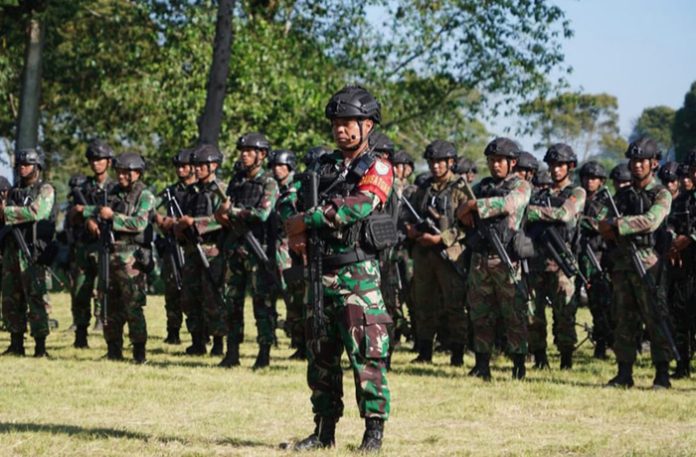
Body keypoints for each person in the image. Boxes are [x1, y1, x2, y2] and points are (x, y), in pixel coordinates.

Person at [285, 85, 392, 451]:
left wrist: (307, 220)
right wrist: (295, 232)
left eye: (348, 123)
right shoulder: (321, 167)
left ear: (367, 125)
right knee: (321, 355)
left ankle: (373, 433)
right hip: (320, 272)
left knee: (366, 355)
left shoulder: (378, 166)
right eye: (336, 123)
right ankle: (323, 430)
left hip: (357, 275)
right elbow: (289, 203)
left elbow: (359, 205)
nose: (340, 130)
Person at [599, 137, 673, 389]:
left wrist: (619, 225)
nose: (637, 165)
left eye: (642, 160)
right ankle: (624, 373)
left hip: (649, 261)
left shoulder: (661, 193)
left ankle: (662, 374)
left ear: (654, 163)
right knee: (624, 318)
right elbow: (602, 223)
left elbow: (651, 220)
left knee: (655, 316)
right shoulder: (622, 196)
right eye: (634, 160)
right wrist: (607, 227)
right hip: (623, 263)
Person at [457, 137, 532, 380]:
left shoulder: (521, 185)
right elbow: (460, 210)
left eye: (500, 160)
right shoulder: (481, 186)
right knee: (480, 314)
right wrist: (465, 209)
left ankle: (518, 366)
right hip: (480, 259)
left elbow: (509, 205)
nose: (495, 165)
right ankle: (482, 365)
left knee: (514, 314)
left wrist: (472, 205)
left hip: (507, 259)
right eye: (491, 160)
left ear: (512, 163)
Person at [81, 152, 154, 363]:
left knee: (133, 305)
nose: (121, 176)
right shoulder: (110, 193)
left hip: (132, 258)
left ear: (137, 173)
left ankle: (139, 352)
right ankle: (113, 349)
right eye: (119, 172)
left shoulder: (145, 196)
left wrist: (113, 217)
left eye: (126, 172)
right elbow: (96, 212)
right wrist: (92, 219)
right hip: (109, 253)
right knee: (109, 303)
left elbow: (139, 223)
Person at [216, 133, 279, 369]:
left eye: (250, 150)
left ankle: (264, 354)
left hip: (257, 250)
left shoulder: (269, 183)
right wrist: (223, 214)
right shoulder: (237, 181)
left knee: (261, 305)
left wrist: (233, 212)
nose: (244, 154)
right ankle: (232, 352)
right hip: (235, 249)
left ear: (261, 155)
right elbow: (224, 211)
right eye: (242, 150)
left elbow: (262, 213)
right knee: (232, 303)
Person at [406, 140, 468, 366]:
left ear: (450, 162)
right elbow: (410, 217)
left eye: (440, 162)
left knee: (454, 305)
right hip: (424, 255)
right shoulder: (423, 190)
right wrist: (411, 231)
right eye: (431, 162)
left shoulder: (460, 188)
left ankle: (457, 355)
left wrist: (441, 238)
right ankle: (424, 352)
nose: (435, 166)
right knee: (423, 304)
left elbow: (469, 225)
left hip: (449, 255)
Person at [526, 143, 586, 370]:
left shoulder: (577, 192)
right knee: (533, 313)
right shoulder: (540, 193)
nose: (555, 170)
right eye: (552, 165)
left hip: (562, 261)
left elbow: (565, 214)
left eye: (560, 165)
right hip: (537, 261)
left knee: (565, 315)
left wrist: (535, 213)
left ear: (570, 166)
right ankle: (540, 357)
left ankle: (566, 359)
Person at [1, 148, 56, 357]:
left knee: (36, 299)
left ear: (37, 166)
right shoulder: (14, 191)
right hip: (11, 250)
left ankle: (40, 347)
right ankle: (16, 344)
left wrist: (6, 212)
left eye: (27, 165)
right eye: (20, 165)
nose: (23, 168)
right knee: (10, 298)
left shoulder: (45, 190)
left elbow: (37, 211)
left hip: (33, 252)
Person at [176, 144, 228, 358]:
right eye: (195, 165)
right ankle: (197, 341)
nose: (196, 169)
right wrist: (179, 226)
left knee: (213, 298)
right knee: (189, 297)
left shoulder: (221, 189)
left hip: (212, 251)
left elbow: (223, 219)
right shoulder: (192, 192)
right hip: (191, 251)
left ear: (213, 166)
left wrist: (195, 223)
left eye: (201, 165)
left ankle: (218, 342)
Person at [66, 140, 115, 347]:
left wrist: (91, 214)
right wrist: (86, 219)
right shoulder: (82, 187)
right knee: (80, 291)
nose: (96, 163)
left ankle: (112, 338)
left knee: (109, 290)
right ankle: (80, 335)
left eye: (100, 159)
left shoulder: (116, 188)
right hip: (85, 246)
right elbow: (71, 214)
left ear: (108, 162)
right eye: (93, 160)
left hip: (108, 245)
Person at [154, 148, 197, 345]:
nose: (180, 170)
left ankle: (198, 332)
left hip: (193, 245)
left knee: (194, 291)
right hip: (172, 244)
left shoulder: (199, 190)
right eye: (178, 166)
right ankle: (173, 331)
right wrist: (166, 222)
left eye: (184, 166)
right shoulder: (171, 192)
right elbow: (154, 211)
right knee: (172, 290)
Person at [269, 148, 306, 359]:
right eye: (274, 166)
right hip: (277, 244)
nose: (277, 169)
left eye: (281, 166)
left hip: (292, 246)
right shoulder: (276, 188)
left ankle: (301, 343)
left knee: (294, 293)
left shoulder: (296, 187)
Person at [577, 161, 613, 359]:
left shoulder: (606, 202)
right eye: (586, 178)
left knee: (599, 303)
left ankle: (602, 344)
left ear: (601, 181)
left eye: (594, 178)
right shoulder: (577, 198)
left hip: (596, 256)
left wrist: (577, 218)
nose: (589, 182)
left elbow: (600, 225)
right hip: (577, 253)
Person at [665, 149, 696, 378]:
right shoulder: (682, 200)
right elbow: (671, 224)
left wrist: (691, 238)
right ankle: (682, 364)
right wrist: (672, 242)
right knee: (680, 314)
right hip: (684, 269)